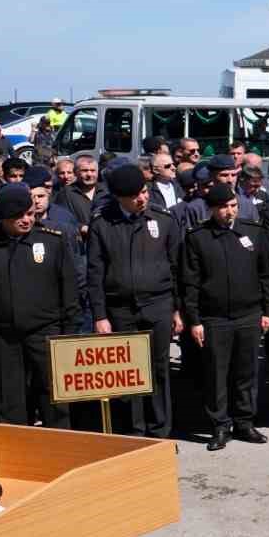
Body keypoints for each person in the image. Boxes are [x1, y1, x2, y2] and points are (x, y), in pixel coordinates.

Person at [87, 163, 183, 437]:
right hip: (120, 310)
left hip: (158, 305)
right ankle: (134, 433)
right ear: (119, 198)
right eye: (135, 196)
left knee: (159, 369)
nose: (142, 199)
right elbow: (95, 272)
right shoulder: (102, 224)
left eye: (144, 192)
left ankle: (160, 432)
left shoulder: (163, 219)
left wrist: (177, 310)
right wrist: (100, 315)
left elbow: (176, 267)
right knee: (128, 374)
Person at [180, 183, 269, 450]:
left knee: (247, 372)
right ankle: (220, 425)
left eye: (233, 206)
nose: (229, 211)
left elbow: (267, 275)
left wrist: (268, 311)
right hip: (215, 318)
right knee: (216, 374)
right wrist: (194, 320)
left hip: (249, 314)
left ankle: (245, 422)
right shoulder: (198, 237)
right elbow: (190, 284)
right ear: (211, 209)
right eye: (223, 207)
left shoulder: (253, 232)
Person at [0, 184, 79, 428]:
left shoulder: (52, 241)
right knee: (9, 399)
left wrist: (69, 333)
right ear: (3, 218)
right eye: (18, 216)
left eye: (30, 214)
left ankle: (58, 443)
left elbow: (69, 289)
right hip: (2, 335)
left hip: (46, 331)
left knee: (53, 396)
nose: (26, 220)